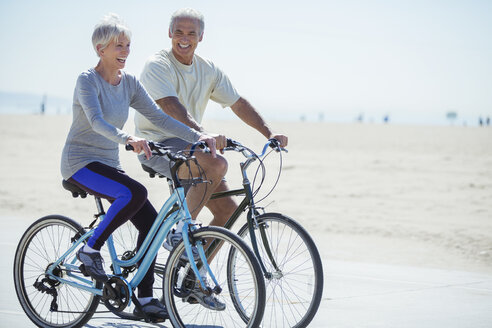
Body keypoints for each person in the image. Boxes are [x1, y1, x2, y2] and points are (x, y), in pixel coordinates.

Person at [60, 13, 216, 321]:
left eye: (128, 45)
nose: (125, 51)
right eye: (118, 45)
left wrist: (199, 136)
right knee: (135, 192)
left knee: (151, 223)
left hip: (109, 163)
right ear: (100, 49)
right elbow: (96, 122)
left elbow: (158, 117)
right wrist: (128, 138)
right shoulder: (86, 80)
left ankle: (144, 299)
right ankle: (89, 250)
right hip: (80, 162)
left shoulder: (129, 82)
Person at [133, 7, 288, 309]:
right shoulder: (157, 65)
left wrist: (268, 133)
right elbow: (169, 106)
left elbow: (238, 102)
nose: (184, 38)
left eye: (191, 33)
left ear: (201, 36)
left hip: (192, 144)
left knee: (228, 211)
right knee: (216, 162)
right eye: (179, 31)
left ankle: (191, 277)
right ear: (169, 34)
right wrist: (202, 133)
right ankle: (178, 233)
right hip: (158, 144)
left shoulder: (208, 69)